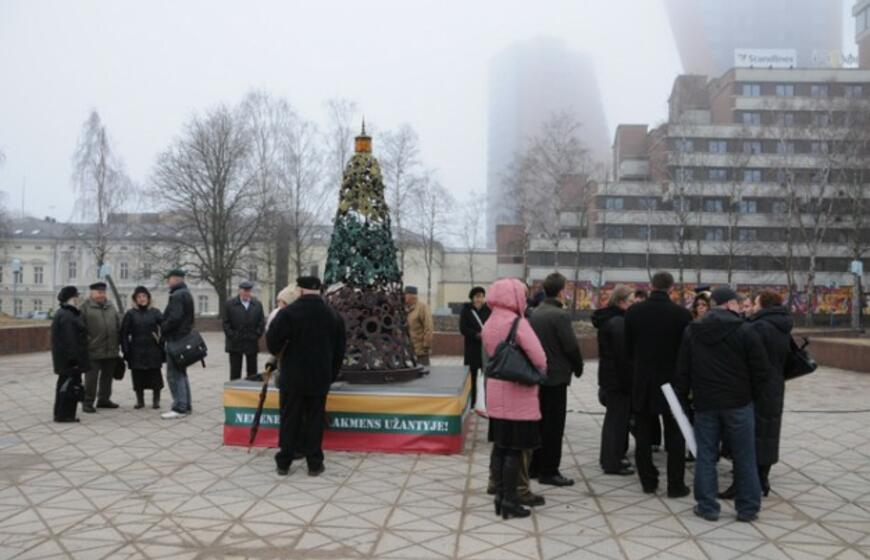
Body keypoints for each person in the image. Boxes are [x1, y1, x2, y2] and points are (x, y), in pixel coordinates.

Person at [675, 287, 771, 522]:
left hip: (705, 403)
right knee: (744, 455)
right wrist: (751, 395)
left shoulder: (693, 330)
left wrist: (683, 400)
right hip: (739, 402)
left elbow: (683, 370)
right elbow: (761, 371)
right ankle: (748, 508)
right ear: (730, 305)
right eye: (737, 303)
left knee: (706, 455)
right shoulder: (746, 330)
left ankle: (707, 506)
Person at [482, 278, 548, 520]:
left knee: (500, 447)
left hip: (496, 391)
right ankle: (510, 501)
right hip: (518, 395)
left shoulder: (489, 322)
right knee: (515, 449)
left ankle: (500, 497)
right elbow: (539, 357)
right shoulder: (517, 323)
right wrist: (541, 373)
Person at [267, 276, 346, 477]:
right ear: (319, 290)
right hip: (320, 377)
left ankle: (284, 462)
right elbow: (340, 350)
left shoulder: (288, 313)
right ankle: (314, 463)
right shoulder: (333, 315)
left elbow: (273, 344)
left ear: (300, 290)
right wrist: (330, 374)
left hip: (292, 377)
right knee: (315, 420)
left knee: (289, 418)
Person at [624, 271, 693, 497]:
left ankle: (648, 481)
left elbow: (628, 347)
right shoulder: (682, 315)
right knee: (675, 434)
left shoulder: (634, 312)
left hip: (643, 381)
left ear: (651, 285)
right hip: (673, 383)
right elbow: (687, 351)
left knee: (643, 433)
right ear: (671, 287)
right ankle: (676, 485)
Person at [731, 289, 792, 498]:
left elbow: (751, 359)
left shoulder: (759, 327)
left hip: (756, 386)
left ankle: (745, 483)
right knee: (768, 433)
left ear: (764, 305)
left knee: (751, 435)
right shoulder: (782, 325)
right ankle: (763, 479)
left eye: (755, 303)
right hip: (775, 385)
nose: (753, 307)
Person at [528, 272, 584, 487]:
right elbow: (570, 346)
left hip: (538, 376)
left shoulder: (535, 313)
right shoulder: (560, 315)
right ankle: (549, 471)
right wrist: (578, 367)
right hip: (556, 376)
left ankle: (534, 466)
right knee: (554, 427)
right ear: (561, 291)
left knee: (539, 423)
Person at [592, 284, 636, 476]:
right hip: (618, 380)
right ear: (621, 302)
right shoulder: (618, 322)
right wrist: (628, 381)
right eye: (631, 301)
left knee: (615, 420)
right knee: (616, 422)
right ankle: (612, 462)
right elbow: (622, 356)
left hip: (610, 377)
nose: (634, 305)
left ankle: (613, 458)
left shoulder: (609, 319)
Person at [80, 281, 122, 412]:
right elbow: (80, 329)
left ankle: (104, 400)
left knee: (107, 378)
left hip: (111, 349)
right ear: (91, 293)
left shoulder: (110, 306)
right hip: (93, 350)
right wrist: (88, 342)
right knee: (91, 379)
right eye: (99, 292)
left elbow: (118, 324)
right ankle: (88, 402)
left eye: (103, 292)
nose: (101, 295)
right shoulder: (84, 307)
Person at [120, 286, 164, 410]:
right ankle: (140, 400)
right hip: (136, 350)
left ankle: (156, 400)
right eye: (139, 297)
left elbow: (165, 326)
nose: (142, 299)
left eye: (144, 296)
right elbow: (123, 333)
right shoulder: (130, 314)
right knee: (138, 376)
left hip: (153, 349)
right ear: (135, 299)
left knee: (155, 376)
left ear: (148, 298)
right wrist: (126, 350)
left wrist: (162, 341)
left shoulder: (155, 312)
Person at [52, 286, 89, 423]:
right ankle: (65, 415)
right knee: (69, 387)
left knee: (64, 386)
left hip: (65, 360)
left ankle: (61, 413)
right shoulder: (68, 315)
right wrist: (74, 361)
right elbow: (70, 340)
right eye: (76, 296)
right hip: (69, 360)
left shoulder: (66, 313)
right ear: (71, 299)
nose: (78, 299)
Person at [161, 269, 195, 419]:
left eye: (169, 278)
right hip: (183, 338)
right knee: (181, 372)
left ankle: (179, 407)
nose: (168, 281)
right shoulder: (186, 293)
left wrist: (163, 327)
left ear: (175, 279)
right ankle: (186, 405)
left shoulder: (177, 295)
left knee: (174, 374)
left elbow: (175, 318)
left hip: (175, 339)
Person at [223, 281, 266, 381]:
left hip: (251, 341)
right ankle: (234, 388)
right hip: (235, 343)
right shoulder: (230, 304)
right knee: (235, 371)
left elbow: (261, 322)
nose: (247, 293)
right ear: (239, 291)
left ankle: (251, 388)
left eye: (249, 291)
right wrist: (233, 335)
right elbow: (226, 323)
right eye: (244, 291)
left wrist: (256, 334)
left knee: (252, 371)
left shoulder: (257, 304)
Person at [459, 286, 490, 406]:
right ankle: (471, 403)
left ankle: (485, 403)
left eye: (481, 296)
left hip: (485, 348)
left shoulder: (488, 310)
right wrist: (476, 334)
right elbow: (463, 328)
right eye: (477, 297)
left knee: (486, 375)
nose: (479, 299)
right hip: (471, 348)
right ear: (472, 298)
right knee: (471, 377)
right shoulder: (466, 310)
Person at [404, 286, 434, 366]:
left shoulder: (422, 307)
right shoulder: (406, 309)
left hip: (421, 351)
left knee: (424, 370)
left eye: (405, 294)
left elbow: (428, 327)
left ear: (411, 296)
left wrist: (426, 345)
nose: (403, 297)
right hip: (410, 350)